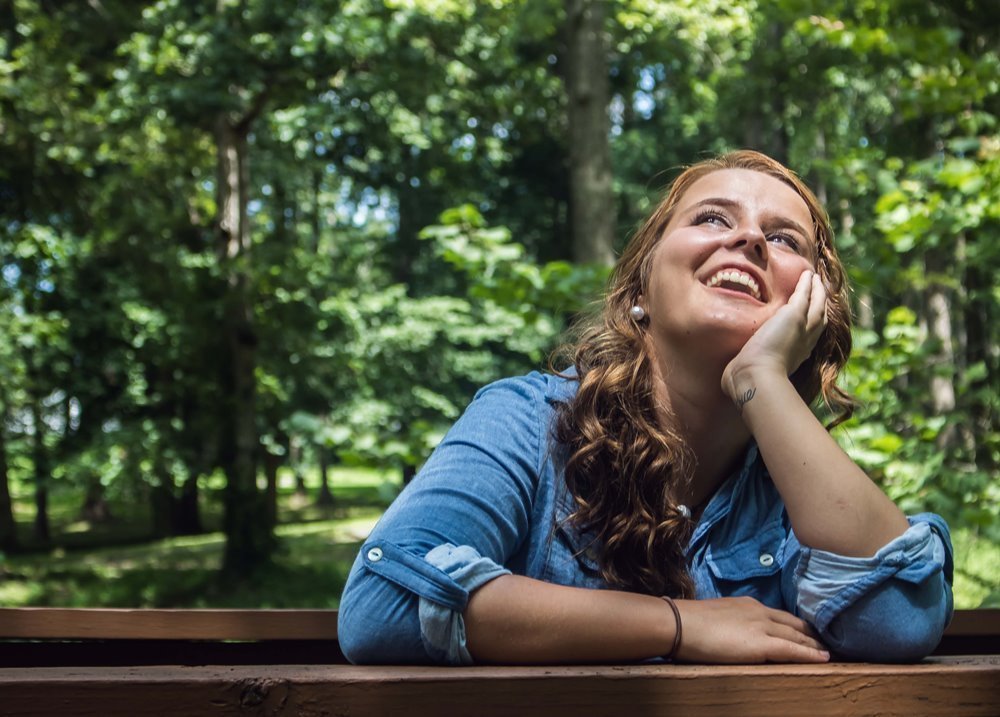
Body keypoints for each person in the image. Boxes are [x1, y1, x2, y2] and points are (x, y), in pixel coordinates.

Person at [337, 150, 953, 665]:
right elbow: (382, 605)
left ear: (813, 307)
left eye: (783, 238)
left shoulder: (801, 492)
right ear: (640, 287)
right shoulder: (526, 420)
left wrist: (761, 377)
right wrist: (679, 626)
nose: (748, 239)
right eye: (713, 218)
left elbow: (896, 623)